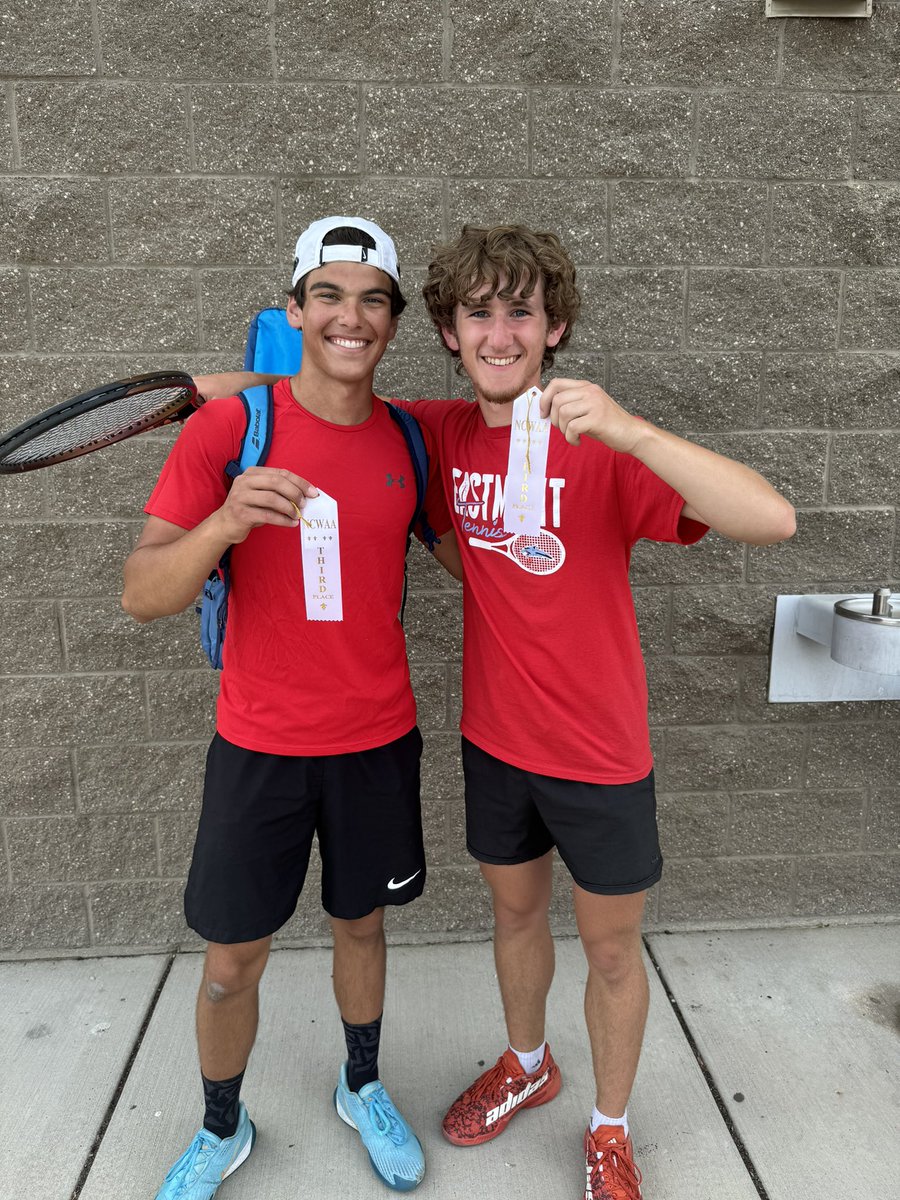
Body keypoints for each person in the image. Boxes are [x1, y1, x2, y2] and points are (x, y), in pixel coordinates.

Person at [198, 222, 796, 1200]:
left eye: (521, 311)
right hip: (497, 745)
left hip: (601, 749)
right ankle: (528, 1063)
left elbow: (772, 519)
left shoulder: (596, 441)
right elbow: (314, 397)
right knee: (516, 918)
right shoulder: (435, 430)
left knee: (609, 948)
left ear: (553, 326)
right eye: (480, 312)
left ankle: (608, 1127)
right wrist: (201, 396)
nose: (500, 332)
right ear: (447, 330)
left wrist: (630, 428)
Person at [122, 215, 457, 1200]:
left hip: (377, 742)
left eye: (372, 299)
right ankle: (222, 1127)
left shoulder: (409, 435)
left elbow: (474, 553)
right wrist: (225, 519)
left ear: (391, 321)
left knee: (364, 928)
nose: (350, 316)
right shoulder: (232, 432)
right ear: (295, 308)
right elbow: (143, 590)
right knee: (230, 964)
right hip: (258, 745)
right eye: (329, 294)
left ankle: (362, 1086)